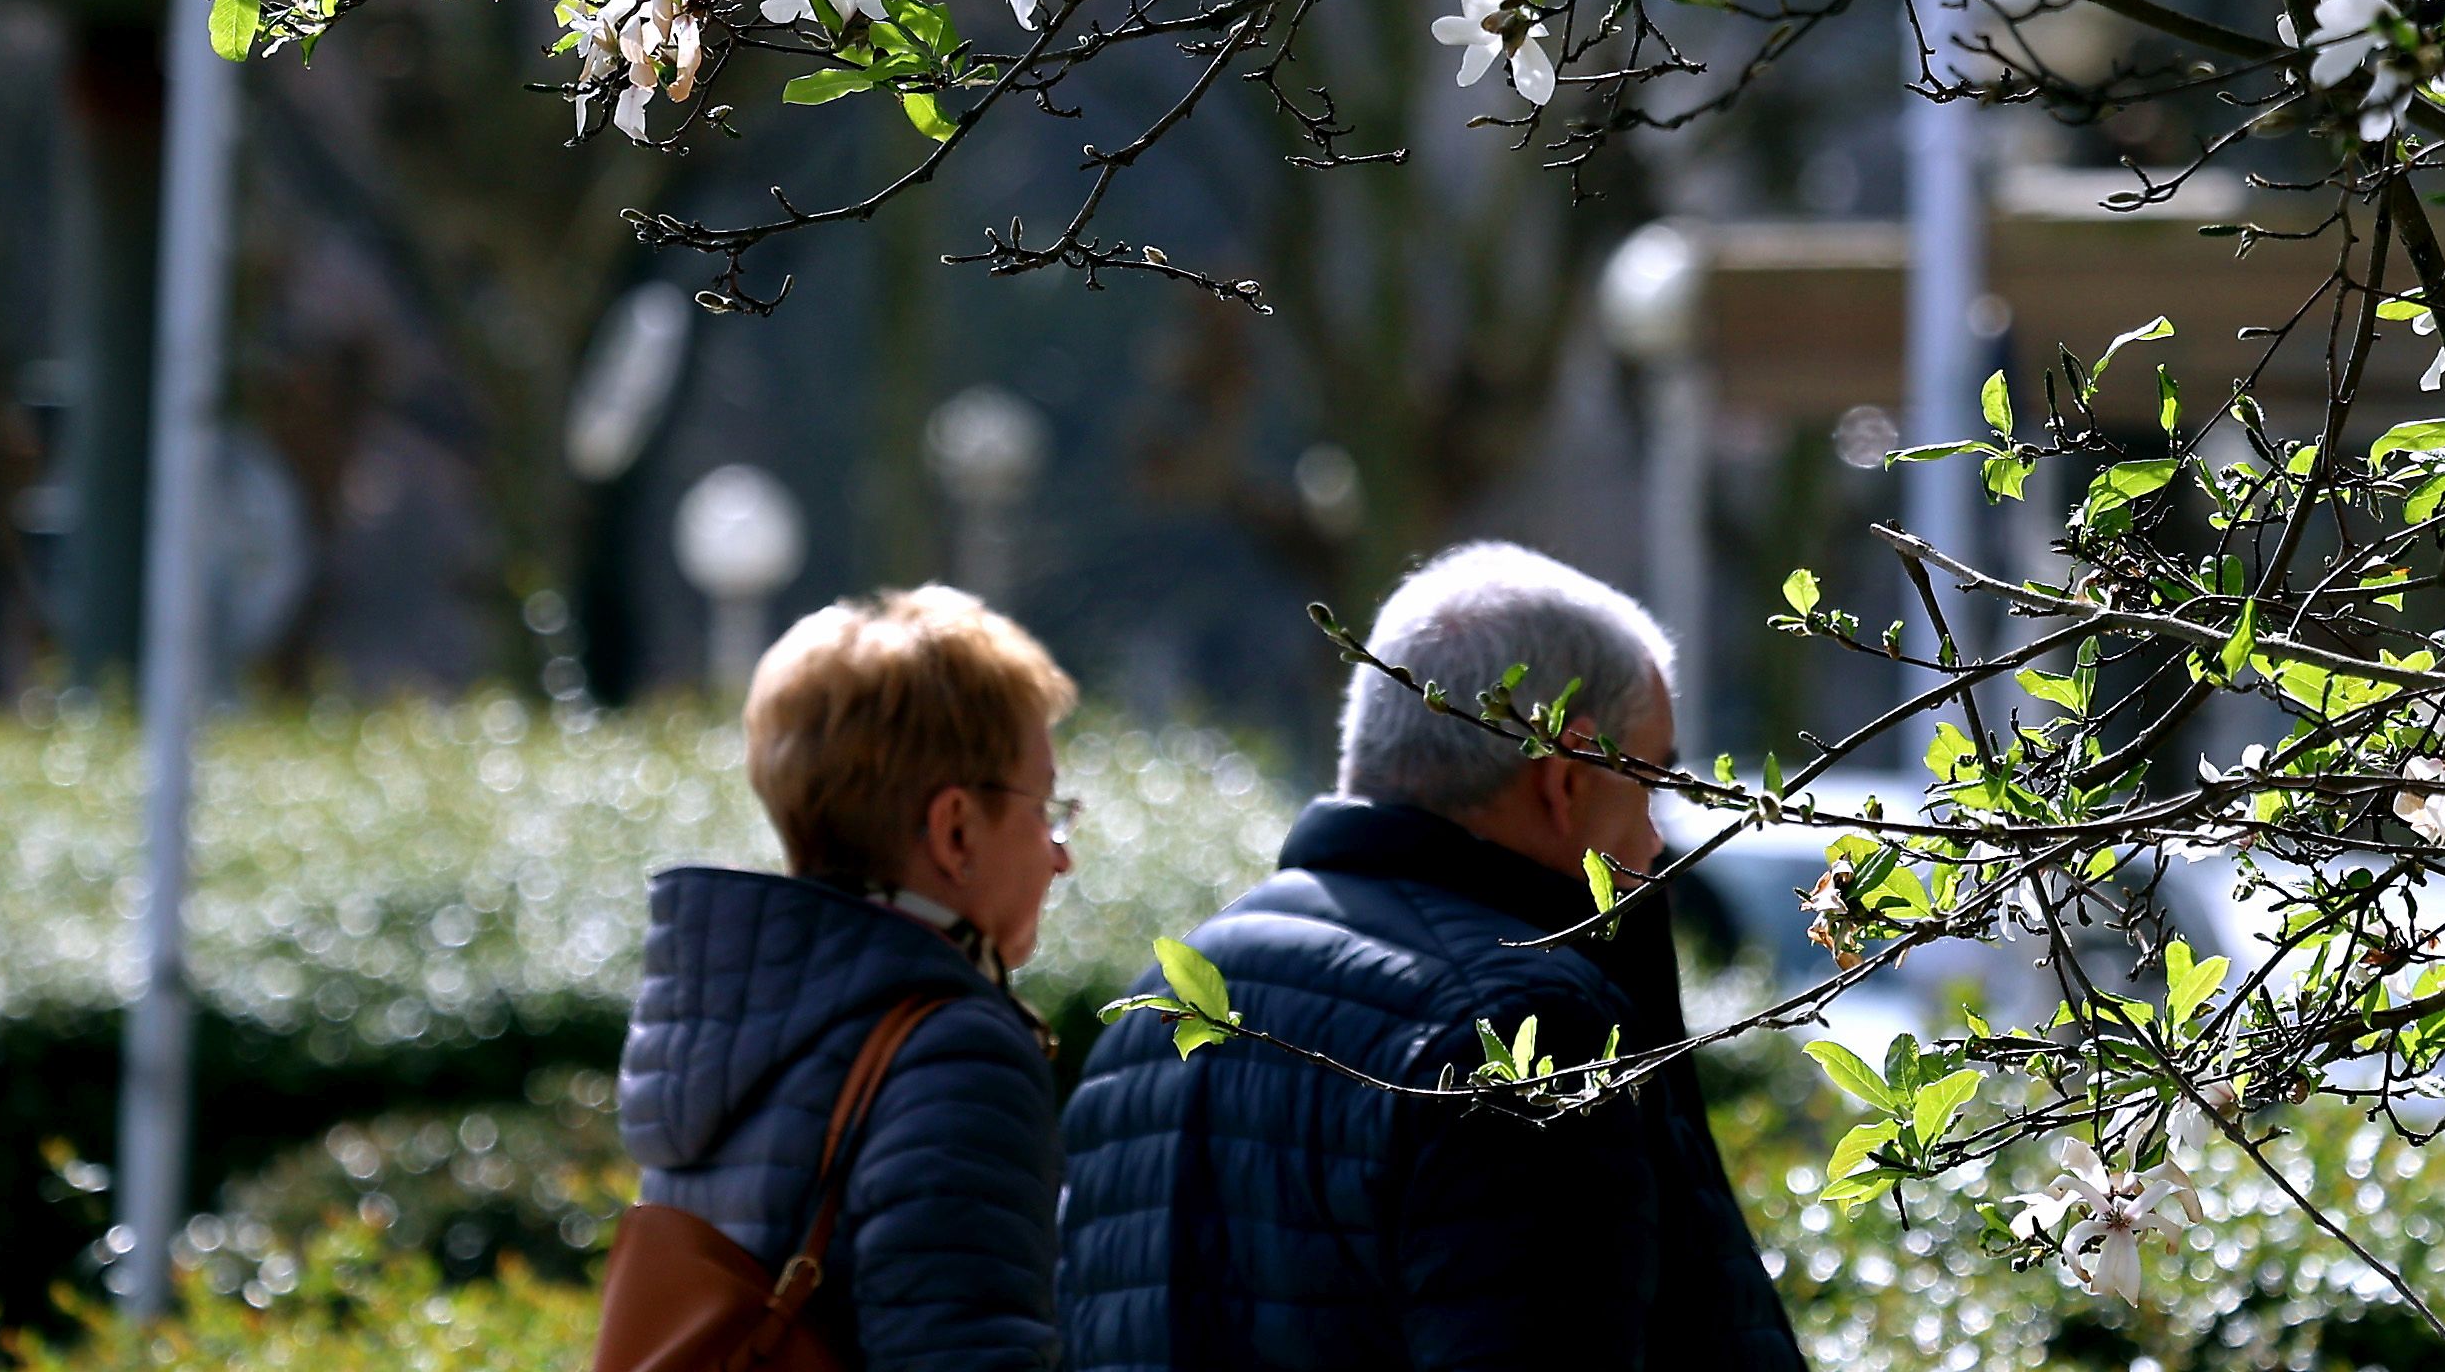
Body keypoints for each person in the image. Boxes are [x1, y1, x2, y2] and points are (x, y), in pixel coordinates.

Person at [1057, 542, 1802, 1372]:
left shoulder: (1151, 1016)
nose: (1658, 838)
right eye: (1652, 779)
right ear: (1568, 776)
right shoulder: (1523, 1031)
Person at [619, 586, 1079, 1371]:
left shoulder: (716, 1021)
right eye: (1048, 810)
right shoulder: (955, 1054)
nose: (1061, 852)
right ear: (956, 828)